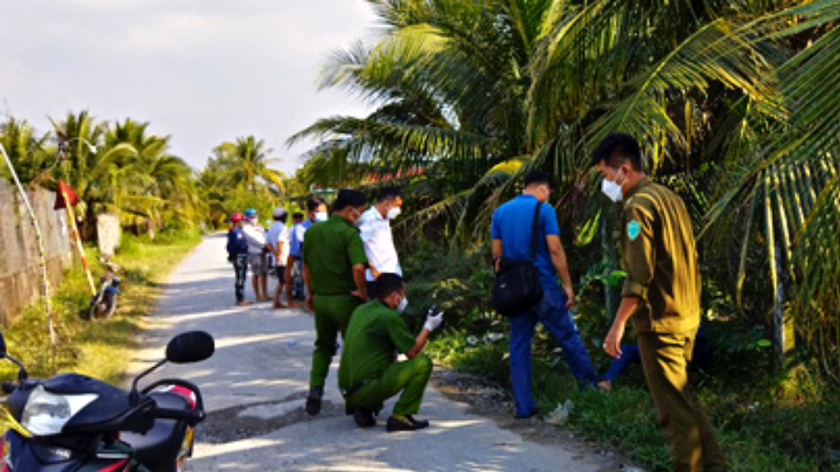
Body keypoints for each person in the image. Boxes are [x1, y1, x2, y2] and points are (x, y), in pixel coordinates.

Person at [593, 133, 725, 472]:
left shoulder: (637, 208)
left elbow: (639, 273)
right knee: (684, 404)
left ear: (624, 170)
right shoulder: (668, 197)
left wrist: (618, 325)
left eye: (606, 176)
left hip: (660, 322)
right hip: (686, 317)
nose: (606, 184)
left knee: (673, 414)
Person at [491, 170, 599, 418]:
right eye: (548, 192)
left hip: (516, 290)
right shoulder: (544, 210)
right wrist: (568, 285)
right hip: (543, 286)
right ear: (543, 189)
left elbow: (497, 256)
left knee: (519, 345)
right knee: (567, 336)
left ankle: (524, 406)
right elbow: (555, 250)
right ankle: (590, 391)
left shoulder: (500, 212)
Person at [339, 273, 443, 432]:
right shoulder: (388, 317)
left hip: (347, 389)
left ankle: (363, 408)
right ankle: (401, 415)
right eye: (403, 294)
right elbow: (412, 352)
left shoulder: (361, 310)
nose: (403, 299)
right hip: (366, 388)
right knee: (423, 363)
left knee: (384, 361)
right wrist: (429, 326)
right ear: (395, 296)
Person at [302, 189, 370, 416]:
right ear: (350, 211)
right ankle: (354, 398)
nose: (360, 216)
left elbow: (306, 268)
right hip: (345, 301)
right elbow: (359, 267)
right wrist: (362, 291)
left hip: (321, 299)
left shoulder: (313, 232)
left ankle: (315, 388)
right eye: (360, 212)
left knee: (323, 346)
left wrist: (310, 294)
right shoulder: (349, 234)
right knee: (353, 350)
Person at [598, 326, 711, 391]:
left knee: (627, 351)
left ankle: (607, 381)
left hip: (670, 353)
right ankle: (607, 381)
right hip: (679, 355)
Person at [357, 187, 404, 299]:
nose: (398, 210)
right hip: (378, 278)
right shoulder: (369, 219)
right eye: (396, 206)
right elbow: (358, 246)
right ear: (387, 204)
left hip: (392, 273)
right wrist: (372, 269)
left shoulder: (385, 218)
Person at [285, 197, 328, 308]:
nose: (322, 215)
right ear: (309, 213)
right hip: (311, 277)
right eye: (318, 212)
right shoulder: (301, 230)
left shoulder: (331, 227)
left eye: (324, 212)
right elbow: (293, 255)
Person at [242, 208, 270, 302]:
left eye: (255, 216)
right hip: (254, 252)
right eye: (251, 217)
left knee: (264, 273)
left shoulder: (260, 226)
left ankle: (265, 294)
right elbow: (254, 239)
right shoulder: (246, 229)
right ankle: (258, 295)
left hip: (263, 252)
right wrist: (264, 245)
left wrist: (266, 246)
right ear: (247, 218)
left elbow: (265, 236)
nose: (254, 218)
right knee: (256, 274)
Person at [226, 212, 251, 307]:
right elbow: (232, 246)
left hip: (243, 255)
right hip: (239, 256)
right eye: (242, 221)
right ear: (238, 221)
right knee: (240, 277)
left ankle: (242, 297)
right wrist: (232, 256)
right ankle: (240, 299)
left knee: (242, 276)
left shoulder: (240, 230)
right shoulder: (235, 232)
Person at [267, 207, 290, 309]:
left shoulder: (271, 227)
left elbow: (267, 244)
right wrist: (279, 255)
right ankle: (276, 301)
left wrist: (274, 253)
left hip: (276, 257)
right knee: (283, 280)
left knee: (282, 279)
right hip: (283, 258)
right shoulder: (283, 228)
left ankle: (277, 301)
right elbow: (279, 241)